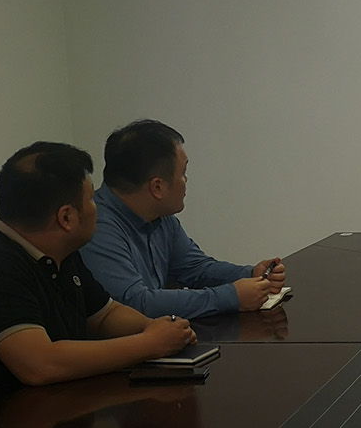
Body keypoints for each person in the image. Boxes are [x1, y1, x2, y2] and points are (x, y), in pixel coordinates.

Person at [0, 141, 196, 404]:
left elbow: (106, 315)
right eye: (91, 199)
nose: (97, 208)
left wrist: (154, 327)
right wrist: (149, 344)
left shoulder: (61, 254)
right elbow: (39, 364)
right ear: (66, 218)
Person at [81, 120, 284, 318]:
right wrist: (230, 297)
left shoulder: (159, 215)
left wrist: (251, 275)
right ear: (157, 187)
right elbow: (135, 304)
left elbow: (196, 268)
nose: (186, 181)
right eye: (183, 173)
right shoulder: (97, 227)